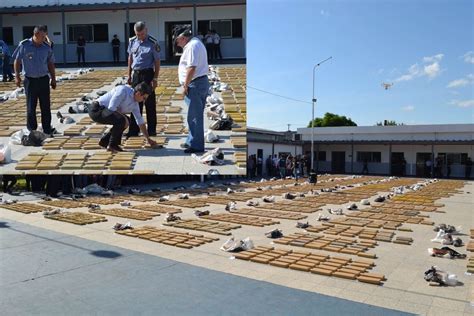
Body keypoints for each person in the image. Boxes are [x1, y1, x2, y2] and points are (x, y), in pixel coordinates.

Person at [88, 82, 158, 153]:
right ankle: (112, 145)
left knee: (127, 120)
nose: (144, 101)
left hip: (106, 112)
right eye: (144, 98)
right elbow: (111, 108)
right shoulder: (123, 90)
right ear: (138, 93)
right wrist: (124, 119)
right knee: (122, 121)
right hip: (97, 110)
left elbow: (140, 121)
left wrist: (148, 139)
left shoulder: (135, 104)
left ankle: (105, 141)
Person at [14, 25, 57, 136]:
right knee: (31, 107)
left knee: (45, 106)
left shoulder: (46, 47)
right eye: (43, 36)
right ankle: (32, 130)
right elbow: (17, 61)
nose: (44, 39)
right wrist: (17, 76)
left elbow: (50, 63)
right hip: (30, 81)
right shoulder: (24, 45)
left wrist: (53, 78)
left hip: (43, 80)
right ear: (36, 34)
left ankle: (47, 130)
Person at [174, 26, 209, 154]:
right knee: (194, 115)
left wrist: (185, 86)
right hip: (199, 83)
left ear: (182, 38)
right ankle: (191, 140)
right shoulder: (195, 43)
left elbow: (191, 68)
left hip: (195, 84)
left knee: (195, 117)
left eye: (177, 42)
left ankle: (196, 145)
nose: (178, 45)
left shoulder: (192, 46)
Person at [127, 21, 160, 137]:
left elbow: (157, 62)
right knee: (135, 102)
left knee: (149, 103)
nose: (139, 36)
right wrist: (129, 75)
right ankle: (133, 130)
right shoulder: (132, 41)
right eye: (137, 34)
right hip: (136, 74)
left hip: (148, 74)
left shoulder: (153, 43)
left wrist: (155, 78)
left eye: (141, 34)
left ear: (146, 30)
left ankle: (151, 130)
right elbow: (130, 58)